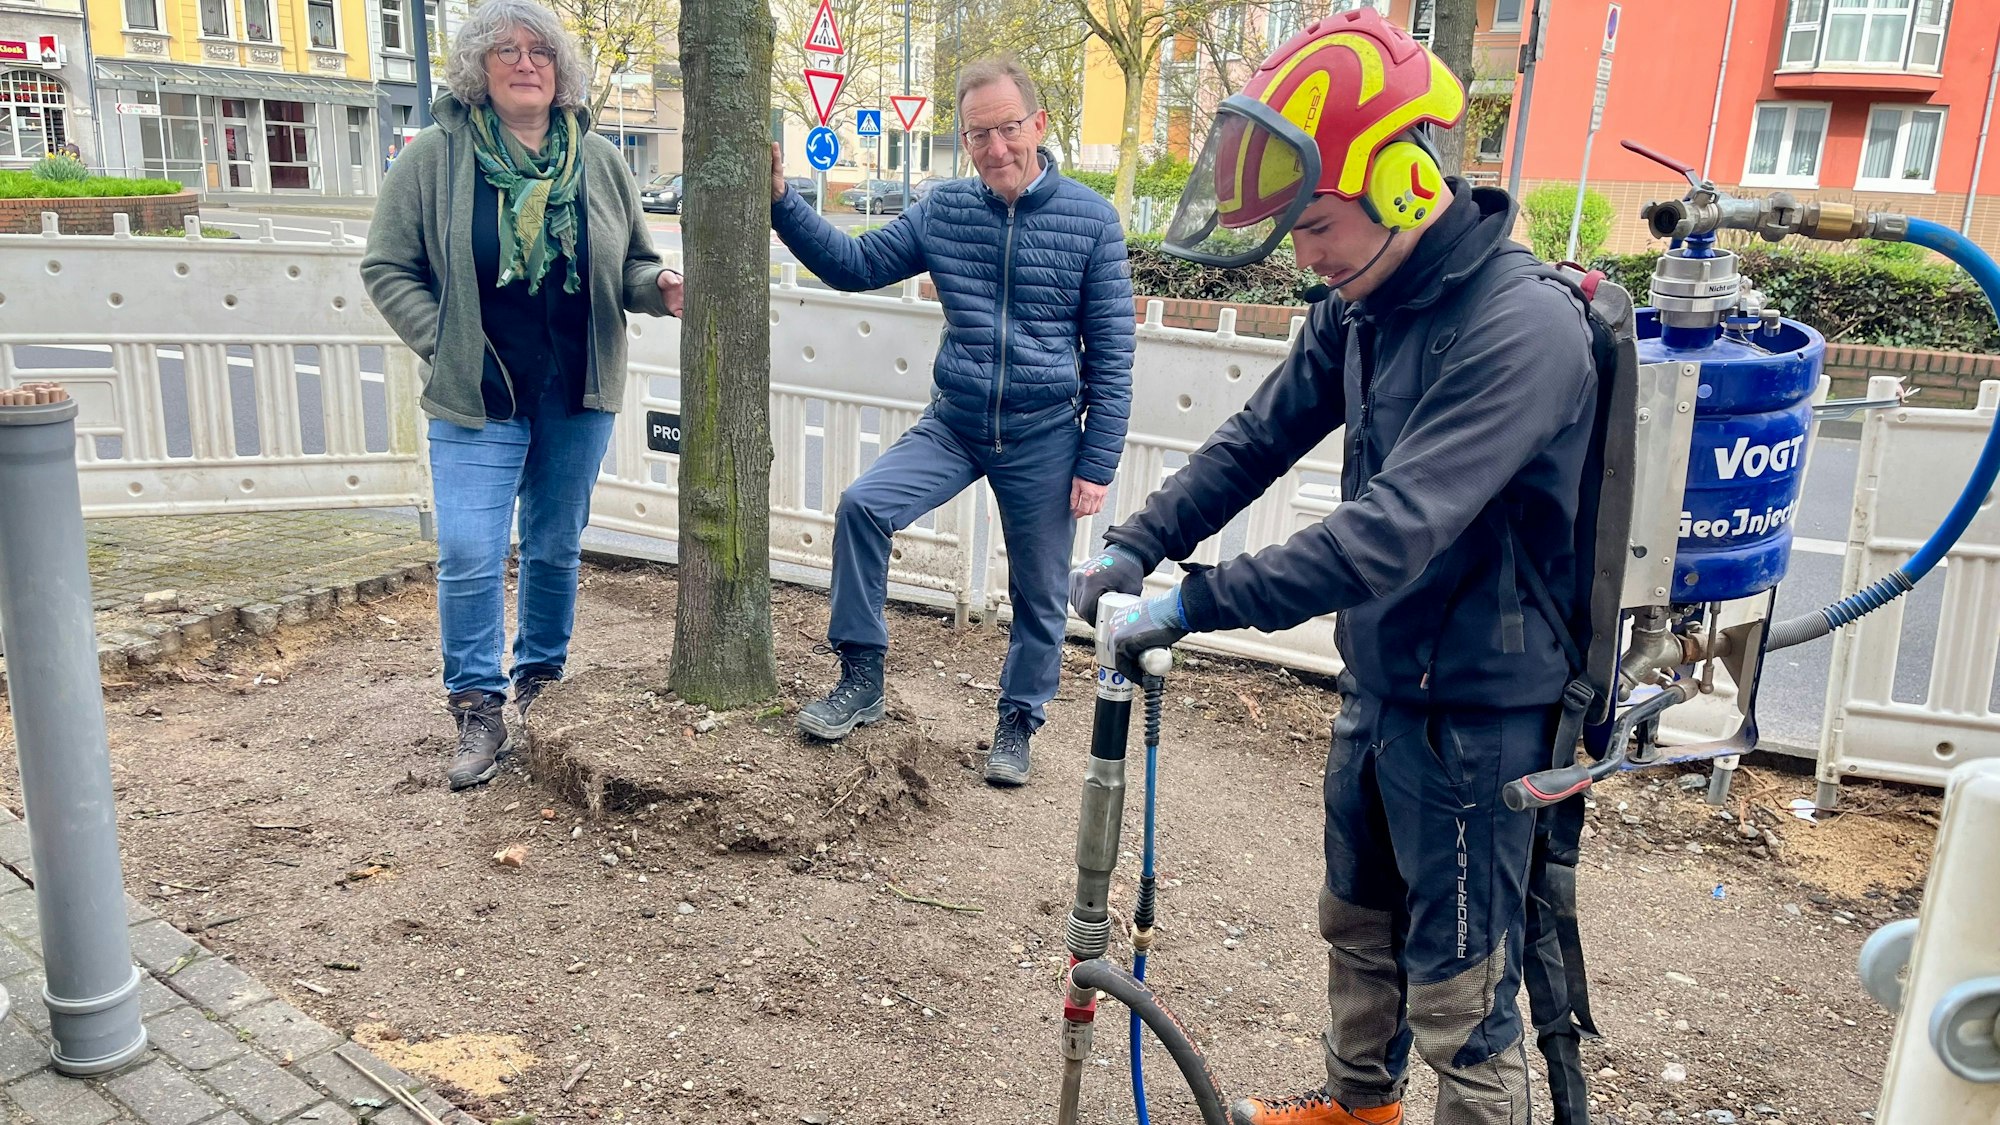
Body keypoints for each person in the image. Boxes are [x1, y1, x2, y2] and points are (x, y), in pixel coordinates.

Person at [1072, 9, 1600, 1124]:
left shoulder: (1522, 329)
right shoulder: (1365, 305)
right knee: (1355, 927)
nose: (1303, 256)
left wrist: (1191, 602)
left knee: (1463, 998)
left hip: (1478, 714)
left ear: (1404, 185)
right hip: (1382, 686)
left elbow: (1390, 530)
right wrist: (1137, 539)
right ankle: (1356, 1111)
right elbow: (1255, 440)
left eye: (1312, 225)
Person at [767, 57, 1134, 787]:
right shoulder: (945, 209)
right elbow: (854, 262)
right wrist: (782, 199)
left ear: (1039, 125)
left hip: (1044, 432)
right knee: (863, 506)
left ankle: (1018, 722)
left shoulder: (1091, 220)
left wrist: (1096, 462)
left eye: (1006, 129)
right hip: (958, 420)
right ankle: (862, 676)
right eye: (977, 135)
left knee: (1039, 588)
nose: (995, 148)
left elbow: (1115, 354)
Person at [361, 0, 684, 791]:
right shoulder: (435, 158)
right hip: (479, 391)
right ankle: (476, 701)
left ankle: (541, 679)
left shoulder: (599, 160)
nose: (524, 62)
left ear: (560, 68)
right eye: (504, 49)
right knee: (470, 550)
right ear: (479, 66)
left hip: (576, 387)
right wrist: (446, 342)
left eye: (539, 49)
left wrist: (662, 284)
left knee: (553, 544)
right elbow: (386, 267)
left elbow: (633, 265)